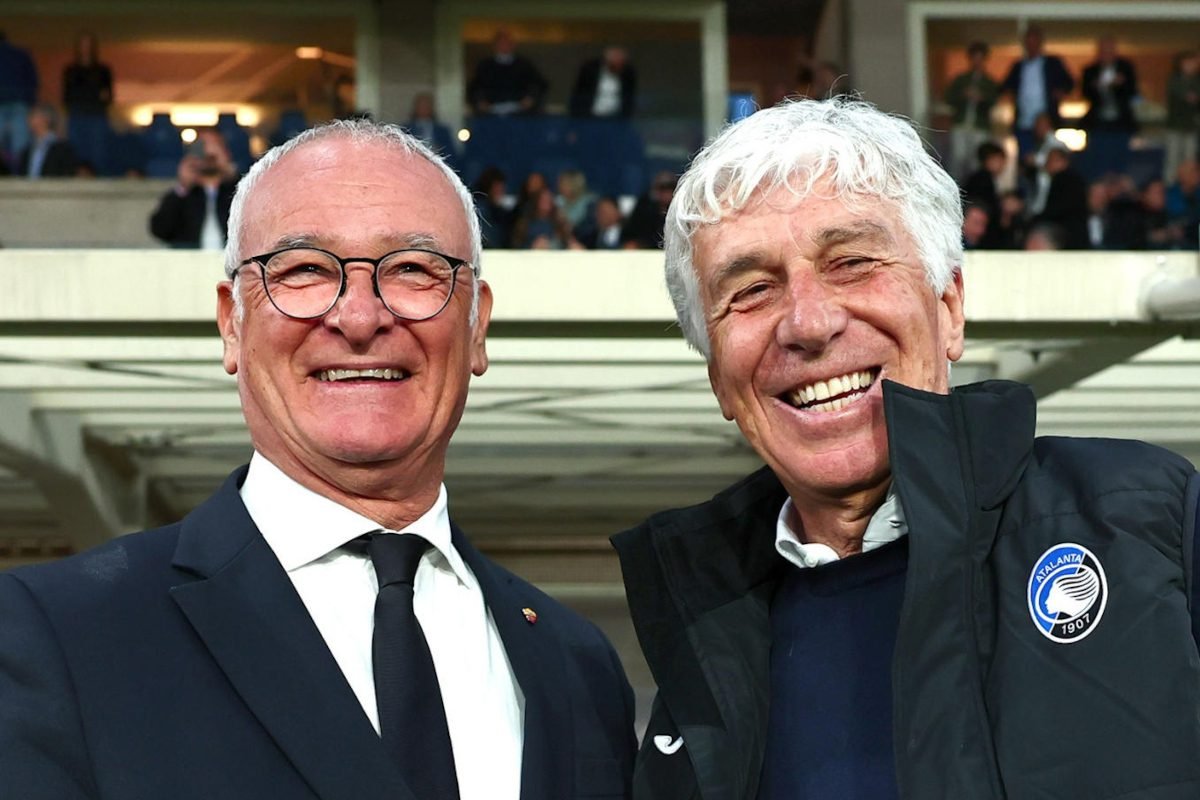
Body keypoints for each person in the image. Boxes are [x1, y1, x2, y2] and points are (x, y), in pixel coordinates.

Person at [0, 118, 635, 799]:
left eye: (413, 270)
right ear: (231, 323)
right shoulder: (56, 635)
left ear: (477, 324)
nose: (359, 318)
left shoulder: (577, 665)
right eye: (304, 270)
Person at [611, 97, 1200, 799]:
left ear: (949, 308)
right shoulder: (695, 673)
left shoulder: (1152, 522)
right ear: (719, 380)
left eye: (852, 262)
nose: (808, 323)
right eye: (752, 290)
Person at [148, 129, 239, 249]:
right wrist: (183, 187)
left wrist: (231, 176)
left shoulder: (237, 190)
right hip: (189, 259)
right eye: (201, 147)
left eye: (215, 146)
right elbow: (160, 230)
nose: (208, 152)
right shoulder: (184, 194)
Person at [1001, 25, 1074, 159]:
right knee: (1026, 157)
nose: (1031, 46)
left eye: (1034, 42)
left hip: (1046, 120)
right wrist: (1011, 95)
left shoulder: (1052, 63)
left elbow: (1069, 83)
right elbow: (1006, 86)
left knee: (1048, 154)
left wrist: (1061, 92)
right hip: (1024, 121)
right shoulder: (1018, 66)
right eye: (1028, 42)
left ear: (1040, 43)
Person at [1080, 35, 1139, 174]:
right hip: (1098, 123)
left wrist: (1120, 84)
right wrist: (1096, 87)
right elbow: (1085, 93)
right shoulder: (1090, 71)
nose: (1107, 54)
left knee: (1121, 162)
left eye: (1109, 50)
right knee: (1098, 161)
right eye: (1104, 51)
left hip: (1121, 124)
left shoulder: (1126, 68)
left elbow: (1133, 92)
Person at [944, 42, 999, 181]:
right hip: (961, 123)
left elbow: (994, 101)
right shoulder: (961, 79)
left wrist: (982, 98)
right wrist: (963, 95)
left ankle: (974, 188)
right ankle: (956, 187)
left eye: (980, 58)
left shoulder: (989, 81)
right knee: (957, 158)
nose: (977, 62)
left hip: (980, 125)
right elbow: (948, 98)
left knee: (977, 161)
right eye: (975, 58)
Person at [62, 32, 113, 175]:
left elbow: (108, 95)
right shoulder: (71, 70)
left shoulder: (103, 70)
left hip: (97, 115)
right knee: (76, 152)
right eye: (82, 44)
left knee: (98, 152)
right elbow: (67, 95)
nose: (85, 48)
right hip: (76, 114)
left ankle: (99, 180)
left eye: (88, 44)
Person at [468, 29, 548, 116]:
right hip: (490, 114)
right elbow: (475, 88)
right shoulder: (485, 66)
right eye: (501, 43)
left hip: (521, 114)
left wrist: (530, 98)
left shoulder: (524, 65)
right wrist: (480, 101)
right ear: (494, 46)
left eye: (507, 43)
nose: (504, 46)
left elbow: (538, 85)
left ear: (513, 45)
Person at [0, 29, 38, 170]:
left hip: (11, 103)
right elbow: (33, 81)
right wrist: (30, 102)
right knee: (20, 146)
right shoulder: (21, 54)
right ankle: (19, 174)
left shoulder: (21, 54)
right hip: (20, 103)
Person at [569, 46, 637, 119]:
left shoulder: (628, 74)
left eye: (621, 63)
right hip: (590, 116)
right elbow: (579, 92)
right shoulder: (590, 71)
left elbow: (629, 96)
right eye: (616, 63)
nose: (619, 66)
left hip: (615, 117)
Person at [1164, 51, 1200, 183]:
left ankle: (1189, 185)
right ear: (1180, 64)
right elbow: (1189, 97)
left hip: (1191, 126)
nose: (1192, 66)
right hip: (1175, 126)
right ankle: (1171, 185)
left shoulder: (1196, 80)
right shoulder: (1174, 80)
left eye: (1193, 63)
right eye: (1188, 63)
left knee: (1190, 160)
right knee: (1173, 159)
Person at [16, 103, 78, 178]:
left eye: (33, 116)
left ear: (46, 119)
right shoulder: (27, 150)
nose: (28, 120)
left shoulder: (63, 149)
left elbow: (67, 175)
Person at [404, 90, 457, 166]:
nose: (424, 109)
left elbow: (451, 155)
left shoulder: (443, 131)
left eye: (426, 106)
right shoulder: (405, 130)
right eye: (421, 106)